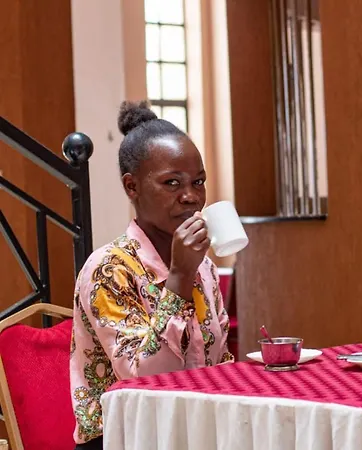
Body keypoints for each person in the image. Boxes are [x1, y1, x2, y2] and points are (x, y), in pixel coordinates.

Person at [70, 100, 234, 449]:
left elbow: (217, 362)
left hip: (191, 433)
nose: (191, 197)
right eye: (172, 183)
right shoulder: (108, 270)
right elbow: (145, 381)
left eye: (198, 182)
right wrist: (179, 277)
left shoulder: (203, 266)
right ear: (132, 187)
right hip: (123, 439)